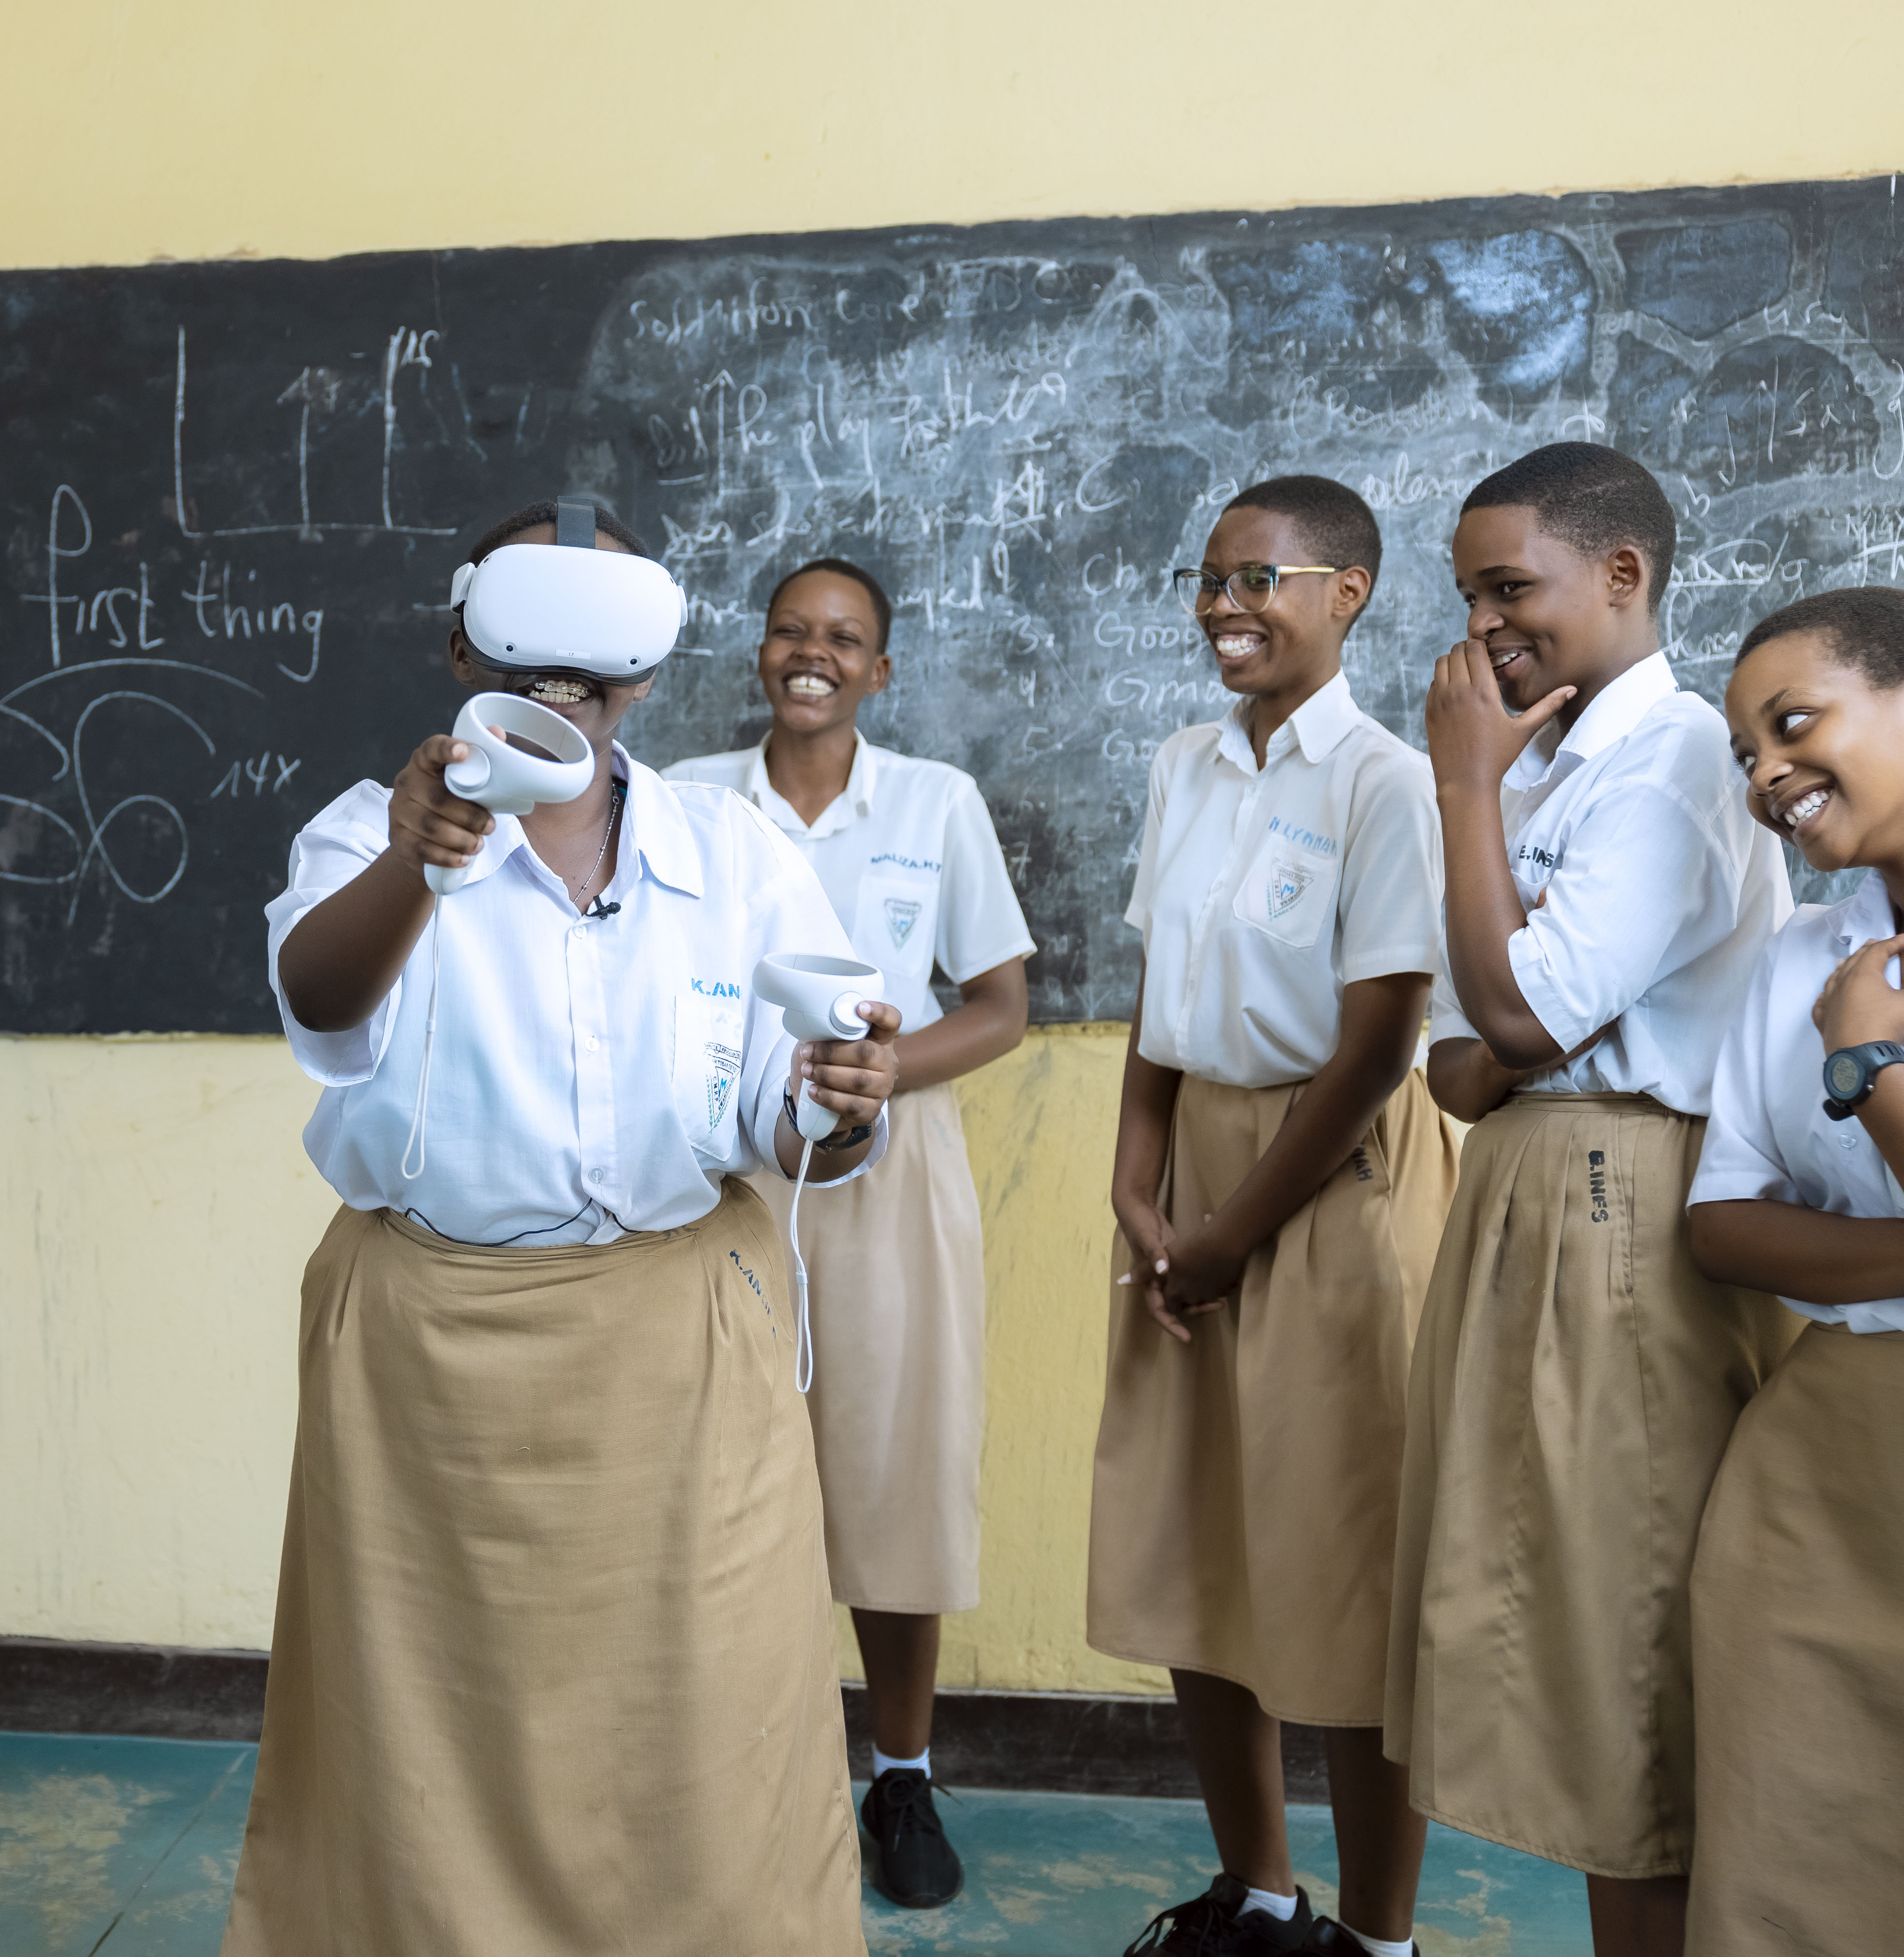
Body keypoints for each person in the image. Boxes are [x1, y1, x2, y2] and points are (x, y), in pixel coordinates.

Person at [224, 498, 901, 1957]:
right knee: (418, 1746)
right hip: (431, 1356)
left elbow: (789, 1113)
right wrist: (423, 857)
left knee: (711, 1725)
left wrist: (841, 1108)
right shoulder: (365, 832)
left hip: (678, 1348)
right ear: (463, 637)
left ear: (644, 675)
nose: (560, 694)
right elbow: (322, 1004)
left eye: (595, 668)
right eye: (528, 657)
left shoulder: (732, 854)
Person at [1390, 443, 1794, 1957]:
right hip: (1534, 1184)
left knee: (1621, 1625)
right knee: (1552, 1614)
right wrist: (1515, 1021)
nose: (1485, 626)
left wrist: (1458, 791)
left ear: (1622, 576)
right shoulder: (1545, 763)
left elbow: (1513, 1019)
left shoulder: (1676, 753)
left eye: (1513, 588)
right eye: (1469, 595)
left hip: (1616, 1191)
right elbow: (1457, 1052)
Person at [1088, 477, 1458, 1957]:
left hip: (1331, 1174)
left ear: (1346, 593)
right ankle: (1258, 1895)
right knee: (1199, 1540)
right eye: (1210, 579)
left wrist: (1232, 1230)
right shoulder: (1185, 764)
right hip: (1195, 1178)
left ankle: (1377, 1936)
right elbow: (1157, 1000)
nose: (1223, 606)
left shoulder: (1386, 780)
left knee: (1349, 1571)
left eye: (1261, 579)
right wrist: (1135, 1175)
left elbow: (1376, 1046)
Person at [1684, 587, 1904, 1952]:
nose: (1768, 775)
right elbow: (1722, 1226)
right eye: (1745, 755)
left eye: (1790, 726)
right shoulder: (1802, 956)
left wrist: (1872, 1070)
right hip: (1813, 1495)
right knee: (1787, 1875)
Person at [665, 555, 1031, 1911]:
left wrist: (881, 1076)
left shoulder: (932, 805)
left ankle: (901, 1773)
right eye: (788, 633)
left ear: (881, 669)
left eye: (843, 640)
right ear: (759, 653)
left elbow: (1000, 1003)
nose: (810, 656)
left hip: (892, 1172)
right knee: (713, 1474)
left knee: (890, 1471)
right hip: (720, 1171)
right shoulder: (688, 800)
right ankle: (728, 1769)